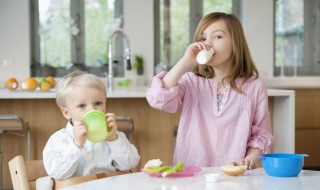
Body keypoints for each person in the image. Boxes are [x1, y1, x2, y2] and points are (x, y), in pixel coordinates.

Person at [147, 12, 273, 169]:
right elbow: (158, 99)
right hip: (191, 174)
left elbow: (261, 134)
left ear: (236, 42)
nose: (208, 44)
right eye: (203, 38)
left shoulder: (254, 86)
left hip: (234, 174)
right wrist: (185, 61)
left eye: (217, 37)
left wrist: (249, 159)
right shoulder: (191, 82)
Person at [43, 70, 140, 179]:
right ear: (67, 112)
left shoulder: (113, 135)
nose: (92, 110)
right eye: (82, 105)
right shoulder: (59, 139)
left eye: (98, 103)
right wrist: (76, 144)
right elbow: (57, 173)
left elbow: (131, 163)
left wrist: (114, 139)